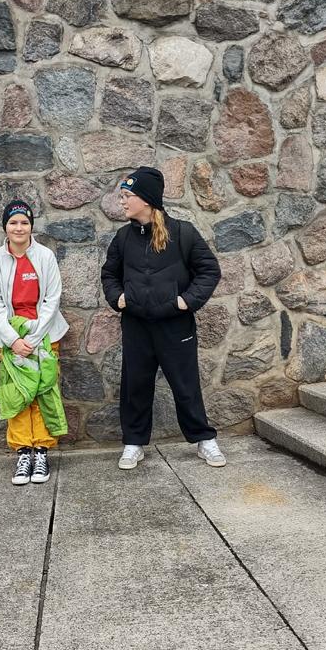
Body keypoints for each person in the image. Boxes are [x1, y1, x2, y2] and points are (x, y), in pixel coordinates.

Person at [100, 166, 226, 470]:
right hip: (136, 326)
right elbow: (109, 274)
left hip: (175, 325)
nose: (122, 201)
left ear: (146, 199)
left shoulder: (183, 233)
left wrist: (186, 301)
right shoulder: (123, 237)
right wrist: (118, 298)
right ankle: (133, 443)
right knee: (135, 386)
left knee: (186, 385)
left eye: (127, 195)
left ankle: (204, 440)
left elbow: (209, 270)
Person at [0, 200, 68, 485]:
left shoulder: (45, 256)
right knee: (17, 395)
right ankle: (23, 453)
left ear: (31, 226)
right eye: (13, 223)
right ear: (5, 227)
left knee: (43, 392)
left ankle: (41, 450)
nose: (19, 228)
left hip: (44, 336)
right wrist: (13, 339)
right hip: (10, 338)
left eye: (24, 222)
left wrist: (32, 337)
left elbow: (52, 299)